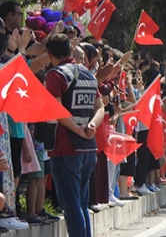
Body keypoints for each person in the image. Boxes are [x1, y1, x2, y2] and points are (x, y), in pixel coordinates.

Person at [44, 34, 105, 237]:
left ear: (50, 54)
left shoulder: (56, 75)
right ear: (71, 51)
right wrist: (92, 126)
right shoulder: (88, 74)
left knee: (71, 205)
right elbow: (100, 107)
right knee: (81, 202)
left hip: (66, 146)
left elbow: (56, 110)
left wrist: (77, 129)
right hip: (88, 146)